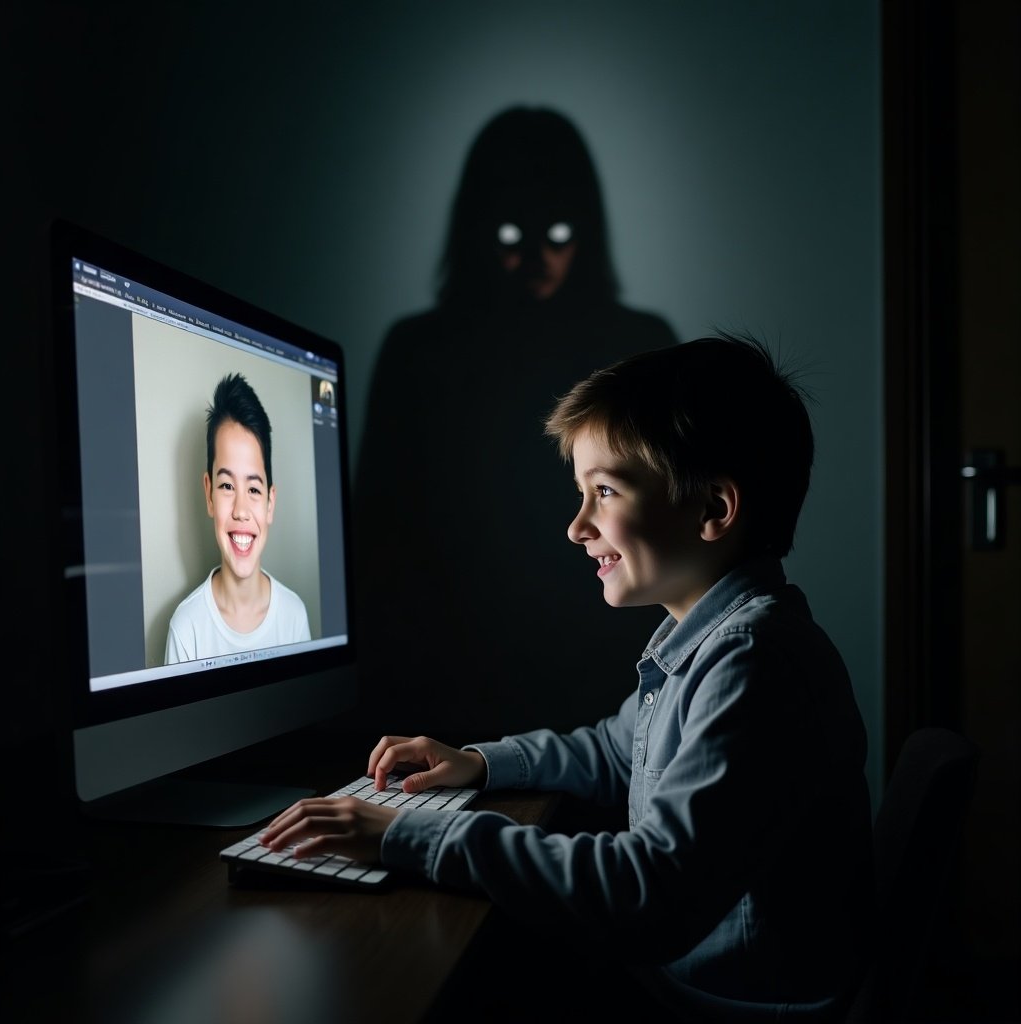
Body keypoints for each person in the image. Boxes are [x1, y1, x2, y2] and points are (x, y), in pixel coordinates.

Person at [263, 334, 875, 1020]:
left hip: (719, 1004)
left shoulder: (753, 663)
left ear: (713, 510)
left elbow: (649, 893)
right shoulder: (703, 640)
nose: (576, 526)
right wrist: (478, 763)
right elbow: (615, 752)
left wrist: (409, 835)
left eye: (604, 491)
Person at [353, 104, 680, 741]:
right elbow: (379, 540)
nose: (534, 258)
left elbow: (673, 529)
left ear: (587, 231)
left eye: (557, 235)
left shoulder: (641, 344)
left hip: (606, 686)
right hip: (443, 686)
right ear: (476, 233)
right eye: (509, 237)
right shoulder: (419, 351)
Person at [164, 372, 311, 664]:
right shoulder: (186, 629)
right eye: (227, 486)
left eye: (254, 489)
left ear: (270, 503)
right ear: (209, 494)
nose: (241, 510)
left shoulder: (294, 616)